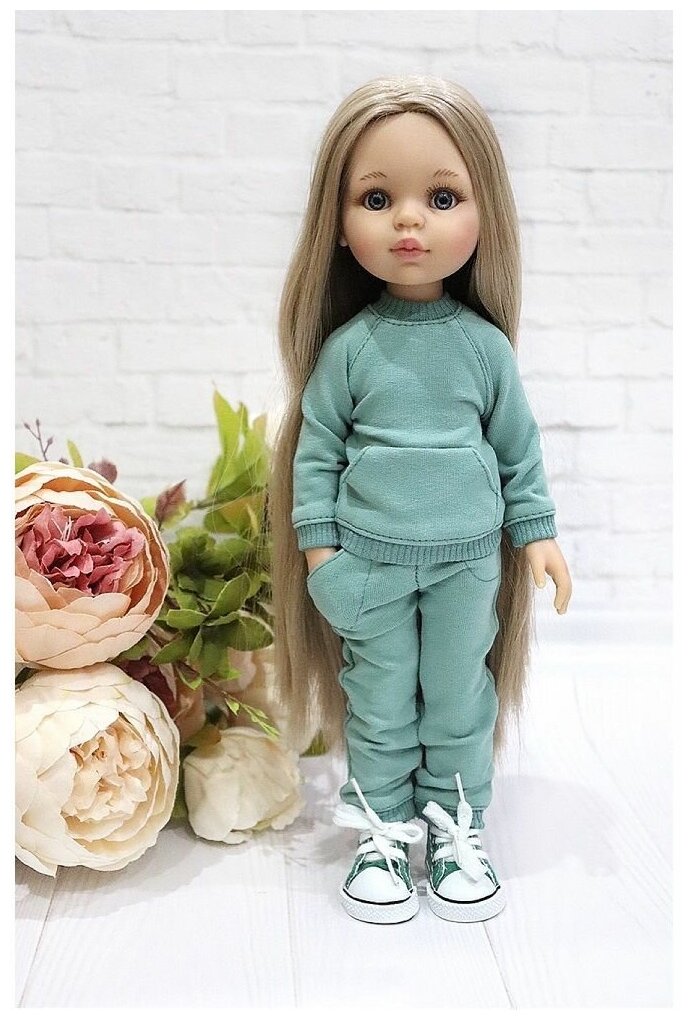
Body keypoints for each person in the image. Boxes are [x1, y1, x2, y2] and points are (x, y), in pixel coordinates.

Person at [268, 76, 573, 925]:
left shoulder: (483, 348)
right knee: (377, 698)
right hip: (365, 566)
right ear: (337, 224)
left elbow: (516, 447)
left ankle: (455, 828)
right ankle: (380, 833)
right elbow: (316, 455)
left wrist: (537, 534)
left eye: (441, 198)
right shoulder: (348, 349)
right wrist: (322, 558)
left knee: (457, 696)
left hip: (466, 564)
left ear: (484, 214)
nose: (409, 221)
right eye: (377, 199)